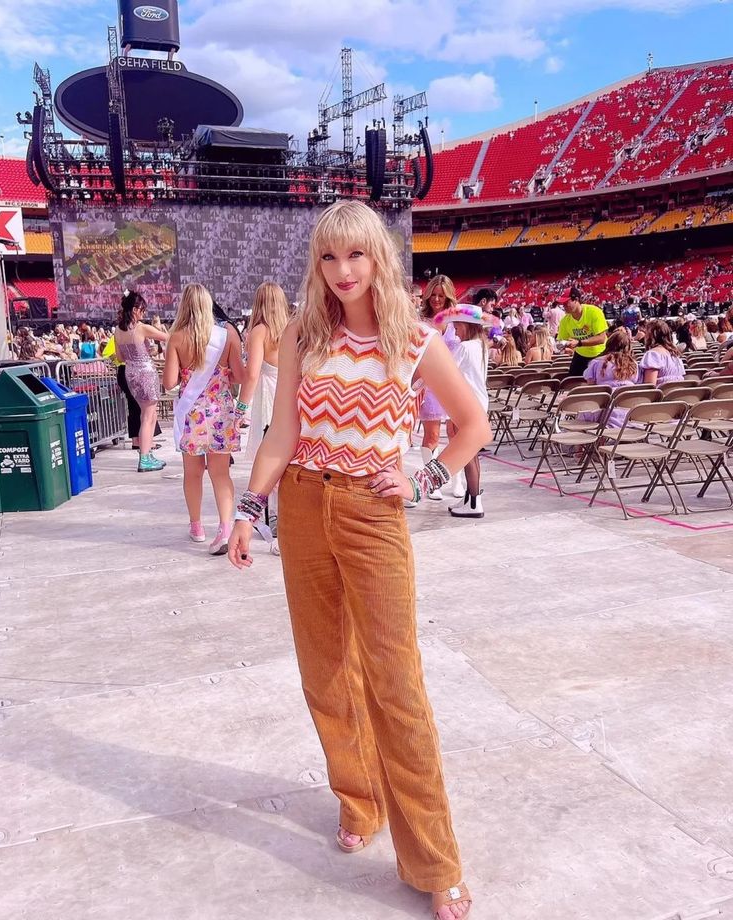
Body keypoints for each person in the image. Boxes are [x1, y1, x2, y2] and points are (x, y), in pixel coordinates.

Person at [228, 200, 488, 920]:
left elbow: (473, 425)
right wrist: (250, 510)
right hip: (305, 508)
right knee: (324, 673)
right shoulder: (302, 336)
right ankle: (359, 798)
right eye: (328, 258)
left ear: (379, 258)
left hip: (375, 516)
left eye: (357, 256)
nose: (343, 272)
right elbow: (280, 436)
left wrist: (426, 478)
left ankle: (436, 862)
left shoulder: (415, 339)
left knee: (396, 686)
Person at [163, 283, 245, 554]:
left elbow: (169, 383)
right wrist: (224, 375)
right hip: (221, 411)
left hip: (193, 414)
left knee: (193, 473)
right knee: (221, 473)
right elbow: (241, 377)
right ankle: (224, 527)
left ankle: (196, 525)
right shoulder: (228, 334)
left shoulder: (176, 337)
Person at [236, 281, 289, 554]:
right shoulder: (292, 330)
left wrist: (240, 409)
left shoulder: (259, 332)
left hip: (268, 402)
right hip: (291, 401)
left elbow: (252, 373)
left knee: (269, 469)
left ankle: (279, 533)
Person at [435, 304, 493, 518]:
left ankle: (474, 502)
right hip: (479, 403)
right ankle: (472, 496)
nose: (455, 331)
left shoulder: (465, 347)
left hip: (466, 405)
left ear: (467, 326)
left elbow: (447, 371)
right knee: (473, 453)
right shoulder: (481, 345)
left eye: (457, 326)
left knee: (467, 453)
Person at [114, 291, 169, 472]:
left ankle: (147, 453)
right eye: (143, 310)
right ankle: (145, 457)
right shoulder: (141, 328)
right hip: (145, 372)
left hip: (130, 373)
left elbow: (120, 357)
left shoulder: (118, 331)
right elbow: (167, 338)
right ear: (136, 310)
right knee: (147, 416)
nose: (144, 314)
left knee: (148, 415)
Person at [418, 274, 458, 501]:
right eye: (433, 295)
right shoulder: (421, 321)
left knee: (456, 434)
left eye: (441, 295)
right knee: (432, 436)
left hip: (454, 383)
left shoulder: (457, 318)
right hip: (430, 384)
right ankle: (432, 483)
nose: (436, 299)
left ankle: (458, 479)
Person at [582, 328, 638, 427]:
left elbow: (590, 387)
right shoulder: (634, 364)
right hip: (630, 409)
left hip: (603, 406)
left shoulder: (596, 362)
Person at [556, 285, 609, 376]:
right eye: (562, 304)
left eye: (566, 303)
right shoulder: (565, 321)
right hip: (581, 354)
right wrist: (563, 345)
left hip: (600, 353)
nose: (563, 306)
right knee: (572, 381)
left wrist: (579, 343)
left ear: (576, 300)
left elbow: (601, 338)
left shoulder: (594, 312)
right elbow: (561, 341)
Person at [638, 319, 685, 387]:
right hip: (678, 395)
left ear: (650, 335)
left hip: (662, 395)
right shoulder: (675, 354)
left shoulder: (653, 355)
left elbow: (649, 386)